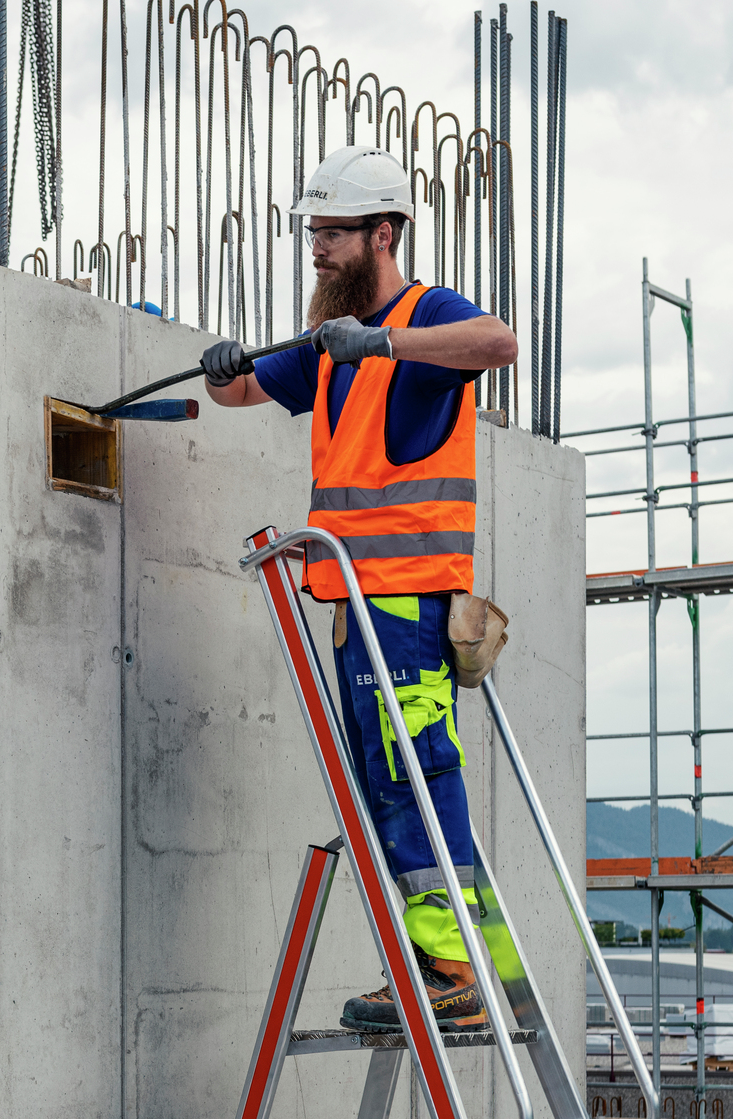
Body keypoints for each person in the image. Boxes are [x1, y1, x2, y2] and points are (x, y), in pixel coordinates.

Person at [203, 145, 519, 1034]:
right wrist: (221, 366)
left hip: (410, 605)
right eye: (313, 232)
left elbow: (499, 342)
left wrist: (383, 340)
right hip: (358, 606)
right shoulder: (329, 350)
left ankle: (452, 973)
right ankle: (459, 963)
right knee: (395, 784)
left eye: (333, 233)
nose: (317, 249)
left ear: (383, 234)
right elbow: (237, 395)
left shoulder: (422, 318)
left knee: (414, 779)